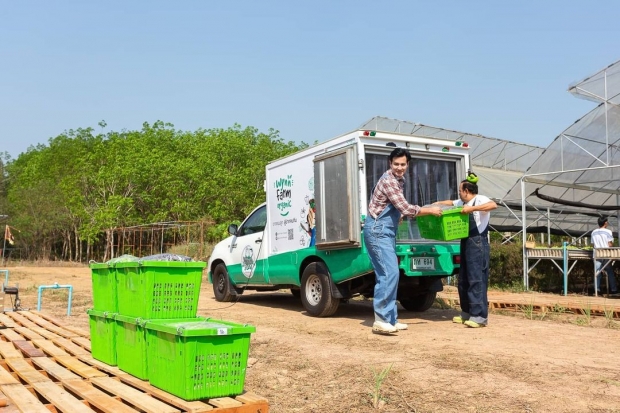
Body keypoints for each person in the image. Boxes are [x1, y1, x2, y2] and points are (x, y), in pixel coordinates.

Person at [364, 147, 443, 335]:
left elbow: (395, 207)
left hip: (386, 231)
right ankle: (382, 319)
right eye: (396, 164)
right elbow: (406, 208)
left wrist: (397, 216)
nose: (399, 167)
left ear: (407, 165)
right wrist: (429, 210)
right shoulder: (389, 181)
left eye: (403, 164)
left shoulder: (400, 180)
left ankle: (391, 318)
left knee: (392, 274)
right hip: (378, 230)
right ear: (390, 163)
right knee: (388, 273)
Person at [435, 172, 497, 328]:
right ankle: (467, 312)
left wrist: (472, 209)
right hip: (465, 242)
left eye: (460, 191)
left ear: (467, 191)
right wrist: (436, 204)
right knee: (464, 279)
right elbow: (450, 202)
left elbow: (493, 205)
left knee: (477, 279)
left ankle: (479, 316)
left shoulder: (479, 199)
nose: (459, 194)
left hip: (478, 243)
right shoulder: (461, 202)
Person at [591, 216, 617, 295]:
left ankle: (597, 289)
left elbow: (593, 244)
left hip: (597, 254)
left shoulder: (593, 232)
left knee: (597, 272)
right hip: (606, 254)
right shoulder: (608, 232)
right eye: (607, 221)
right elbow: (610, 244)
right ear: (605, 223)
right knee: (609, 271)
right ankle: (613, 289)